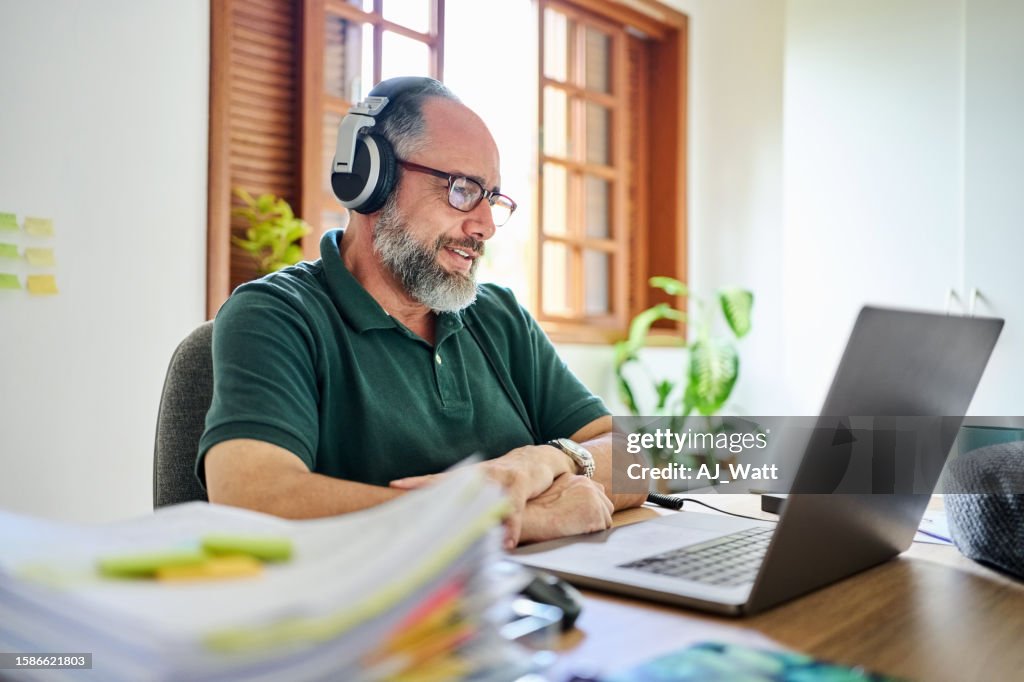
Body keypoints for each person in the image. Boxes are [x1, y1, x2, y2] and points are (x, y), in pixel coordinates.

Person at [199, 77, 645, 548]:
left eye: (492, 198)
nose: (485, 226)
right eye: (462, 189)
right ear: (370, 180)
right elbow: (250, 497)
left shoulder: (500, 316)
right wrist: (517, 520)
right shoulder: (276, 315)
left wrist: (544, 461)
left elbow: (640, 459)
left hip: (533, 589)